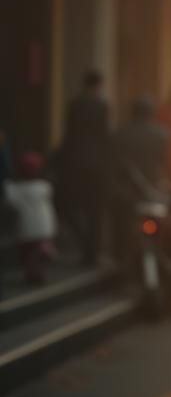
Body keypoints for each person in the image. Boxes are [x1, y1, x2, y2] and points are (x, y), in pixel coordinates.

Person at [109, 96, 170, 269]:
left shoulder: (120, 134)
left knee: (123, 230)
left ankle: (122, 262)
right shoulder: (161, 135)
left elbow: (115, 164)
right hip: (152, 192)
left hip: (128, 192)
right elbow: (164, 164)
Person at [57, 70, 111, 265]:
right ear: (98, 85)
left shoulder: (74, 105)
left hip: (76, 164)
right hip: (97, 166)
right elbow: (105, 136)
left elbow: (69, 135)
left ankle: (85, 245)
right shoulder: (102, 106)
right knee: (95, 209)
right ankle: (92, 251)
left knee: (72, 207)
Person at [4, 152, 58, 285]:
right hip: (43, 228)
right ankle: (35, 272)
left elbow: (10, 201)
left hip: (27, 228)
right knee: (35, 253)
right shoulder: (44, 186)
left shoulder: (16, 189)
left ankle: (33, 273)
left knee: (29, 253)